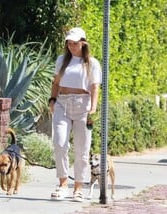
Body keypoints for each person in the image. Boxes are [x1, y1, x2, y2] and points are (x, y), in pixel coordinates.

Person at [48, 27, 102, 202]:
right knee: (59, 143)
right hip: (62, 102)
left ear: (83, 43)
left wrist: (93, 108)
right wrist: (52, 99)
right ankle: (63, 183)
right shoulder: (62, 60)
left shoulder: (92, 63)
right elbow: (56, 82)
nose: (72, 46)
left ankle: (78, 187)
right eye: (69, 44)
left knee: (82, 149)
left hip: (82, 104)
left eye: (75, 43)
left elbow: (95, 87)